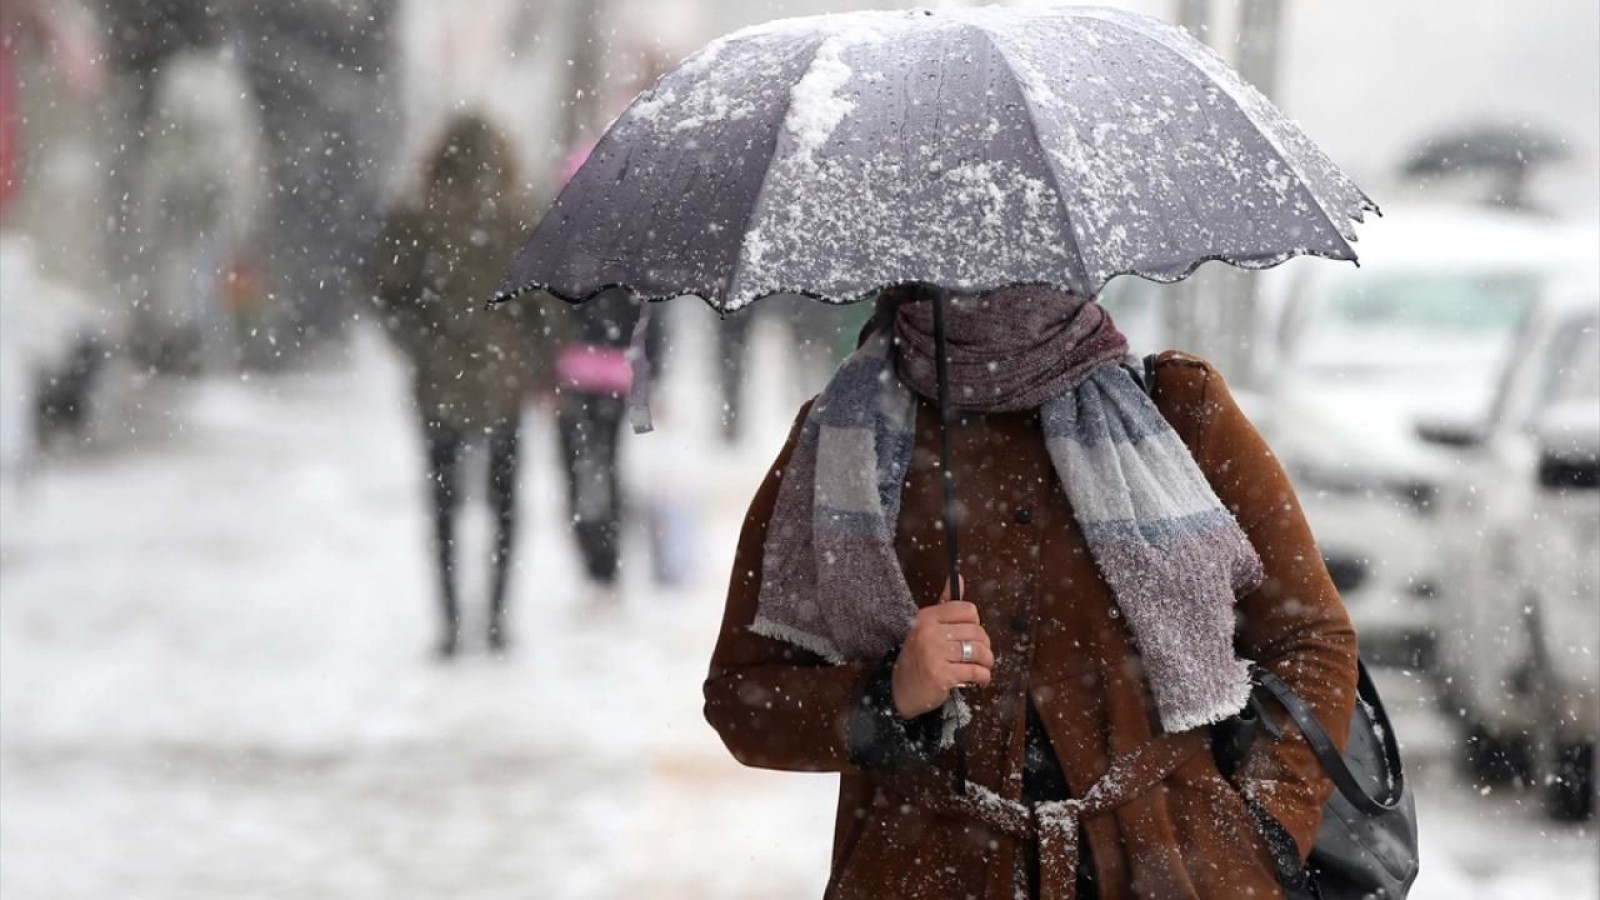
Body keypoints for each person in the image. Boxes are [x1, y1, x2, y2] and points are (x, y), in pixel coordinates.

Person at [703, 284, 1359, 899]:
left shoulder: (1178, 408)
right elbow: (744, 697)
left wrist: (1257, 835)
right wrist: (889, 697)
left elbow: (1310, 638)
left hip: (1167, 869)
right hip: (923, 872)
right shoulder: (843, 438)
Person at [369, 114, 556, 658]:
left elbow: (384, 292)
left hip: (439, 382)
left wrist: (421, 345)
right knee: (504, 502)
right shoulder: (518, 216)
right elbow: (547, 305)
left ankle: (451, 622)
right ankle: (497, 617)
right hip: (504, 380)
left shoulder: (418, 216)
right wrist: (535, 361)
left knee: (444, 504)